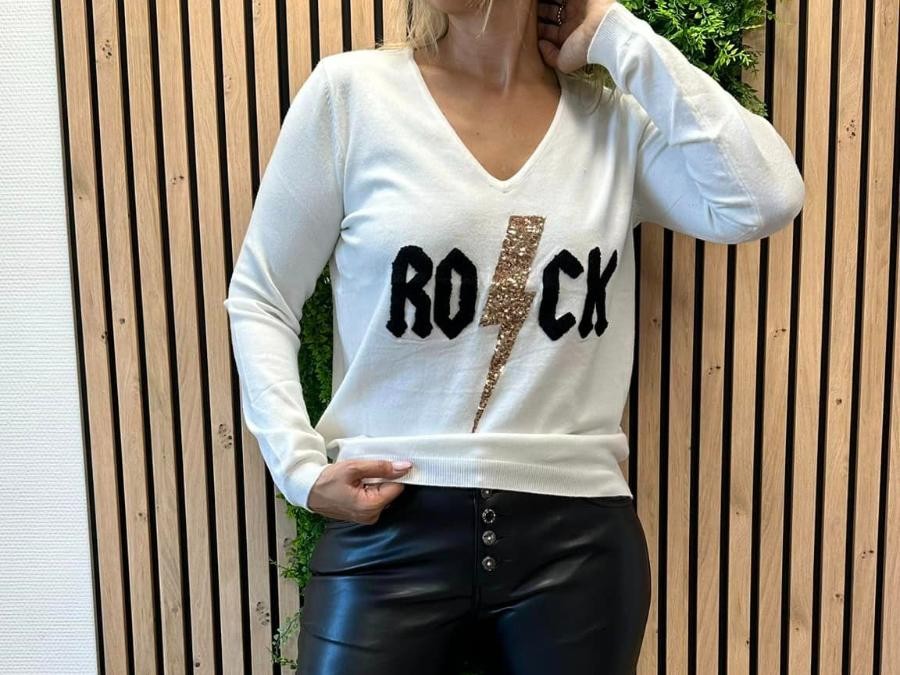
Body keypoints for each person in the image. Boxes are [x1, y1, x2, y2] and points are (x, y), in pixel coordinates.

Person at [222, 0, 806, 670]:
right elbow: (262, 295)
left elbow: (764, 197)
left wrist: (618, 37)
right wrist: (300, 469)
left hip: (576, 547)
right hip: (388, 531)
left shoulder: (613, 125)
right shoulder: (352, 98)